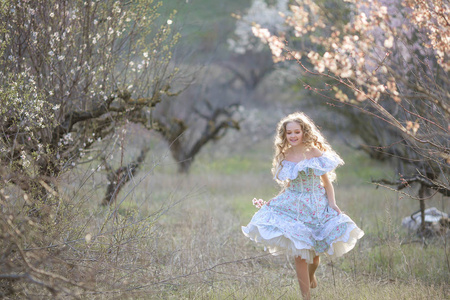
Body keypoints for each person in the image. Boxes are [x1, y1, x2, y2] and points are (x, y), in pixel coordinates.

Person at [242, 112, 364, 300]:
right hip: (293, 205)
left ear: (304, 132)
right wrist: (274, 201)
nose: (292, 136)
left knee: (314, 256)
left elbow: (327, 182)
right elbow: (289, 185)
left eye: (296, 132)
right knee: (300, 253)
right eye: (289, 133)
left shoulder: (313, 151)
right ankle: (305, 296)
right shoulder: (285, 155)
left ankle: (311, 274)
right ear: (284, 135)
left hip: (315, 204)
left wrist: (332, 204)